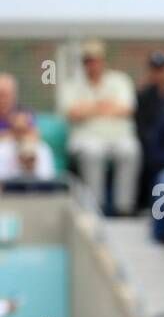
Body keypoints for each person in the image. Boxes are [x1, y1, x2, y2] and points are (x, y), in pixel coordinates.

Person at [57, 39, 140, 215]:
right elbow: (72, 112)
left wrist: (89, 108)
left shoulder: (119, 80)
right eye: (87, 61)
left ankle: (124, 208)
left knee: (130, 150)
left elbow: (126, 108)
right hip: (86, 138)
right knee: (93, 152)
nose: (92, 64)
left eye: (95, 60)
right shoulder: (72, 84)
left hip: (118, 137)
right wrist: (105, 105)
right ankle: (96, 208)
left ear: (103, 61)